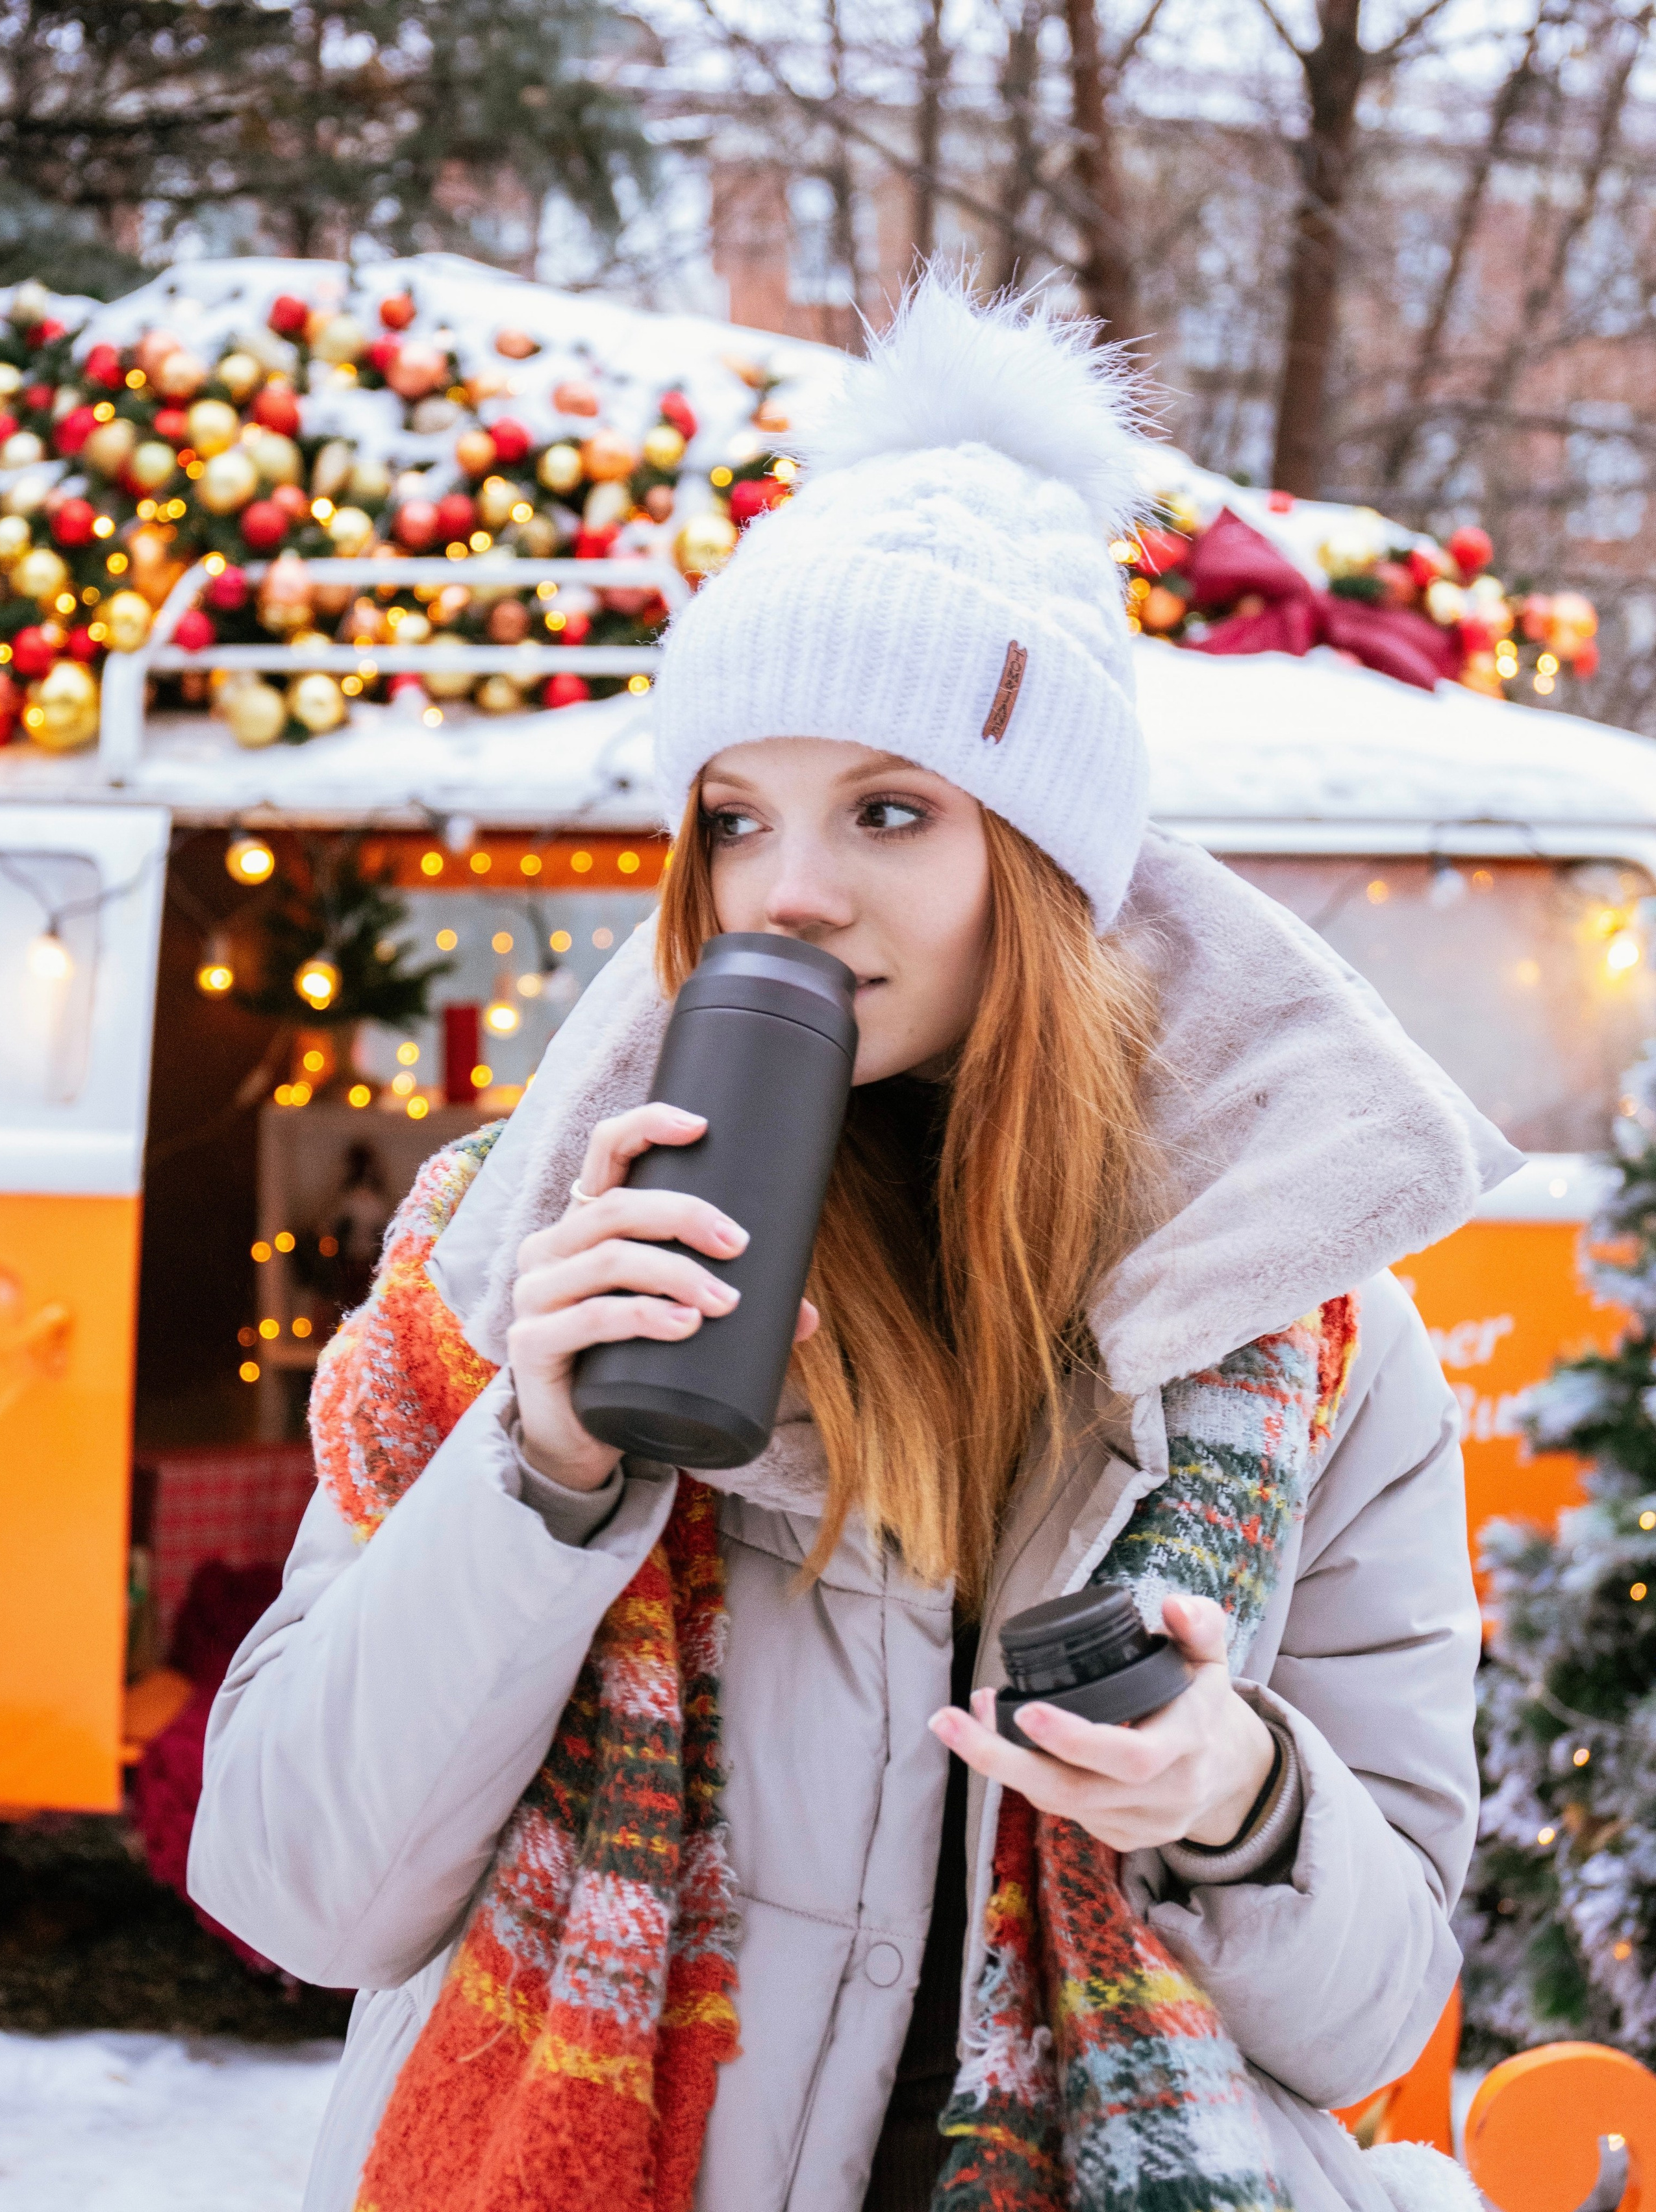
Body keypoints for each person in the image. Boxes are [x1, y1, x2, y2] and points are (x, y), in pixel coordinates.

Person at [190, 278, 1516, 2212]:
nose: (790, 893)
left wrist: (1233, 1792)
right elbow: (294, 1891)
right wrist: (536, 1470)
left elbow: (1381, 2016)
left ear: (1040, 863)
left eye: (889, 811)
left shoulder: (1300, 1326)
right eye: (737, 818)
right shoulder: (517, 1248)